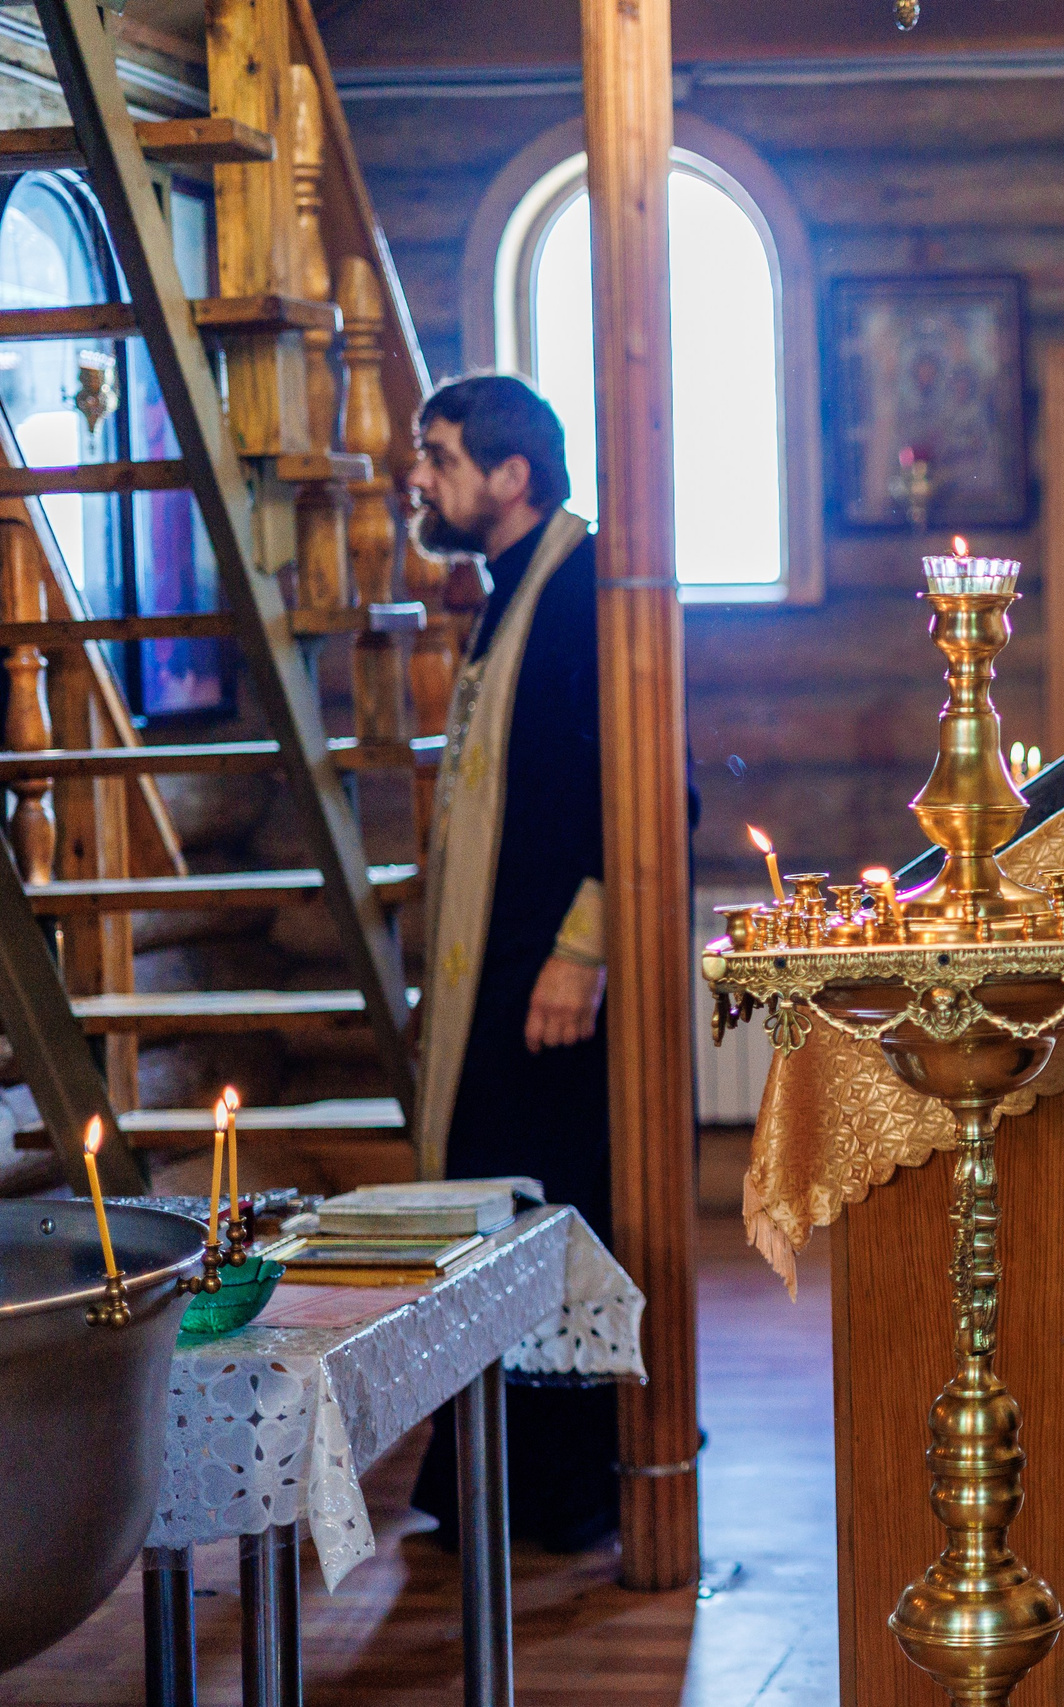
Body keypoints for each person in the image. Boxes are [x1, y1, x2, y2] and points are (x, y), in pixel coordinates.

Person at [404, 374, 619, 1554]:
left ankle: (563, 1490)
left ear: (511, 476)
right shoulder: (507, 589)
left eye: (439, 458)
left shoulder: (584, 592)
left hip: (548, 980)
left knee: (546, 1213)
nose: (420, 480)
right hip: (499, 971)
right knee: (493, 1209)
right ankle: (494, 1483)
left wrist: (577, 954)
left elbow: (633, 795)